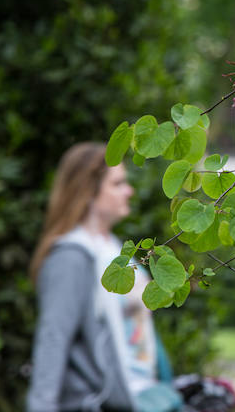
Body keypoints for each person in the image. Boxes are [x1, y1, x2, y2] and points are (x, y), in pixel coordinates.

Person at [26, 142, 184, 412]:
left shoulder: (112, 248)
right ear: (88, 191)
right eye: (118, 183)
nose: (129, 191)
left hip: (143, 396)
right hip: (103, 403)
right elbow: (53, 340)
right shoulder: (71, 258)